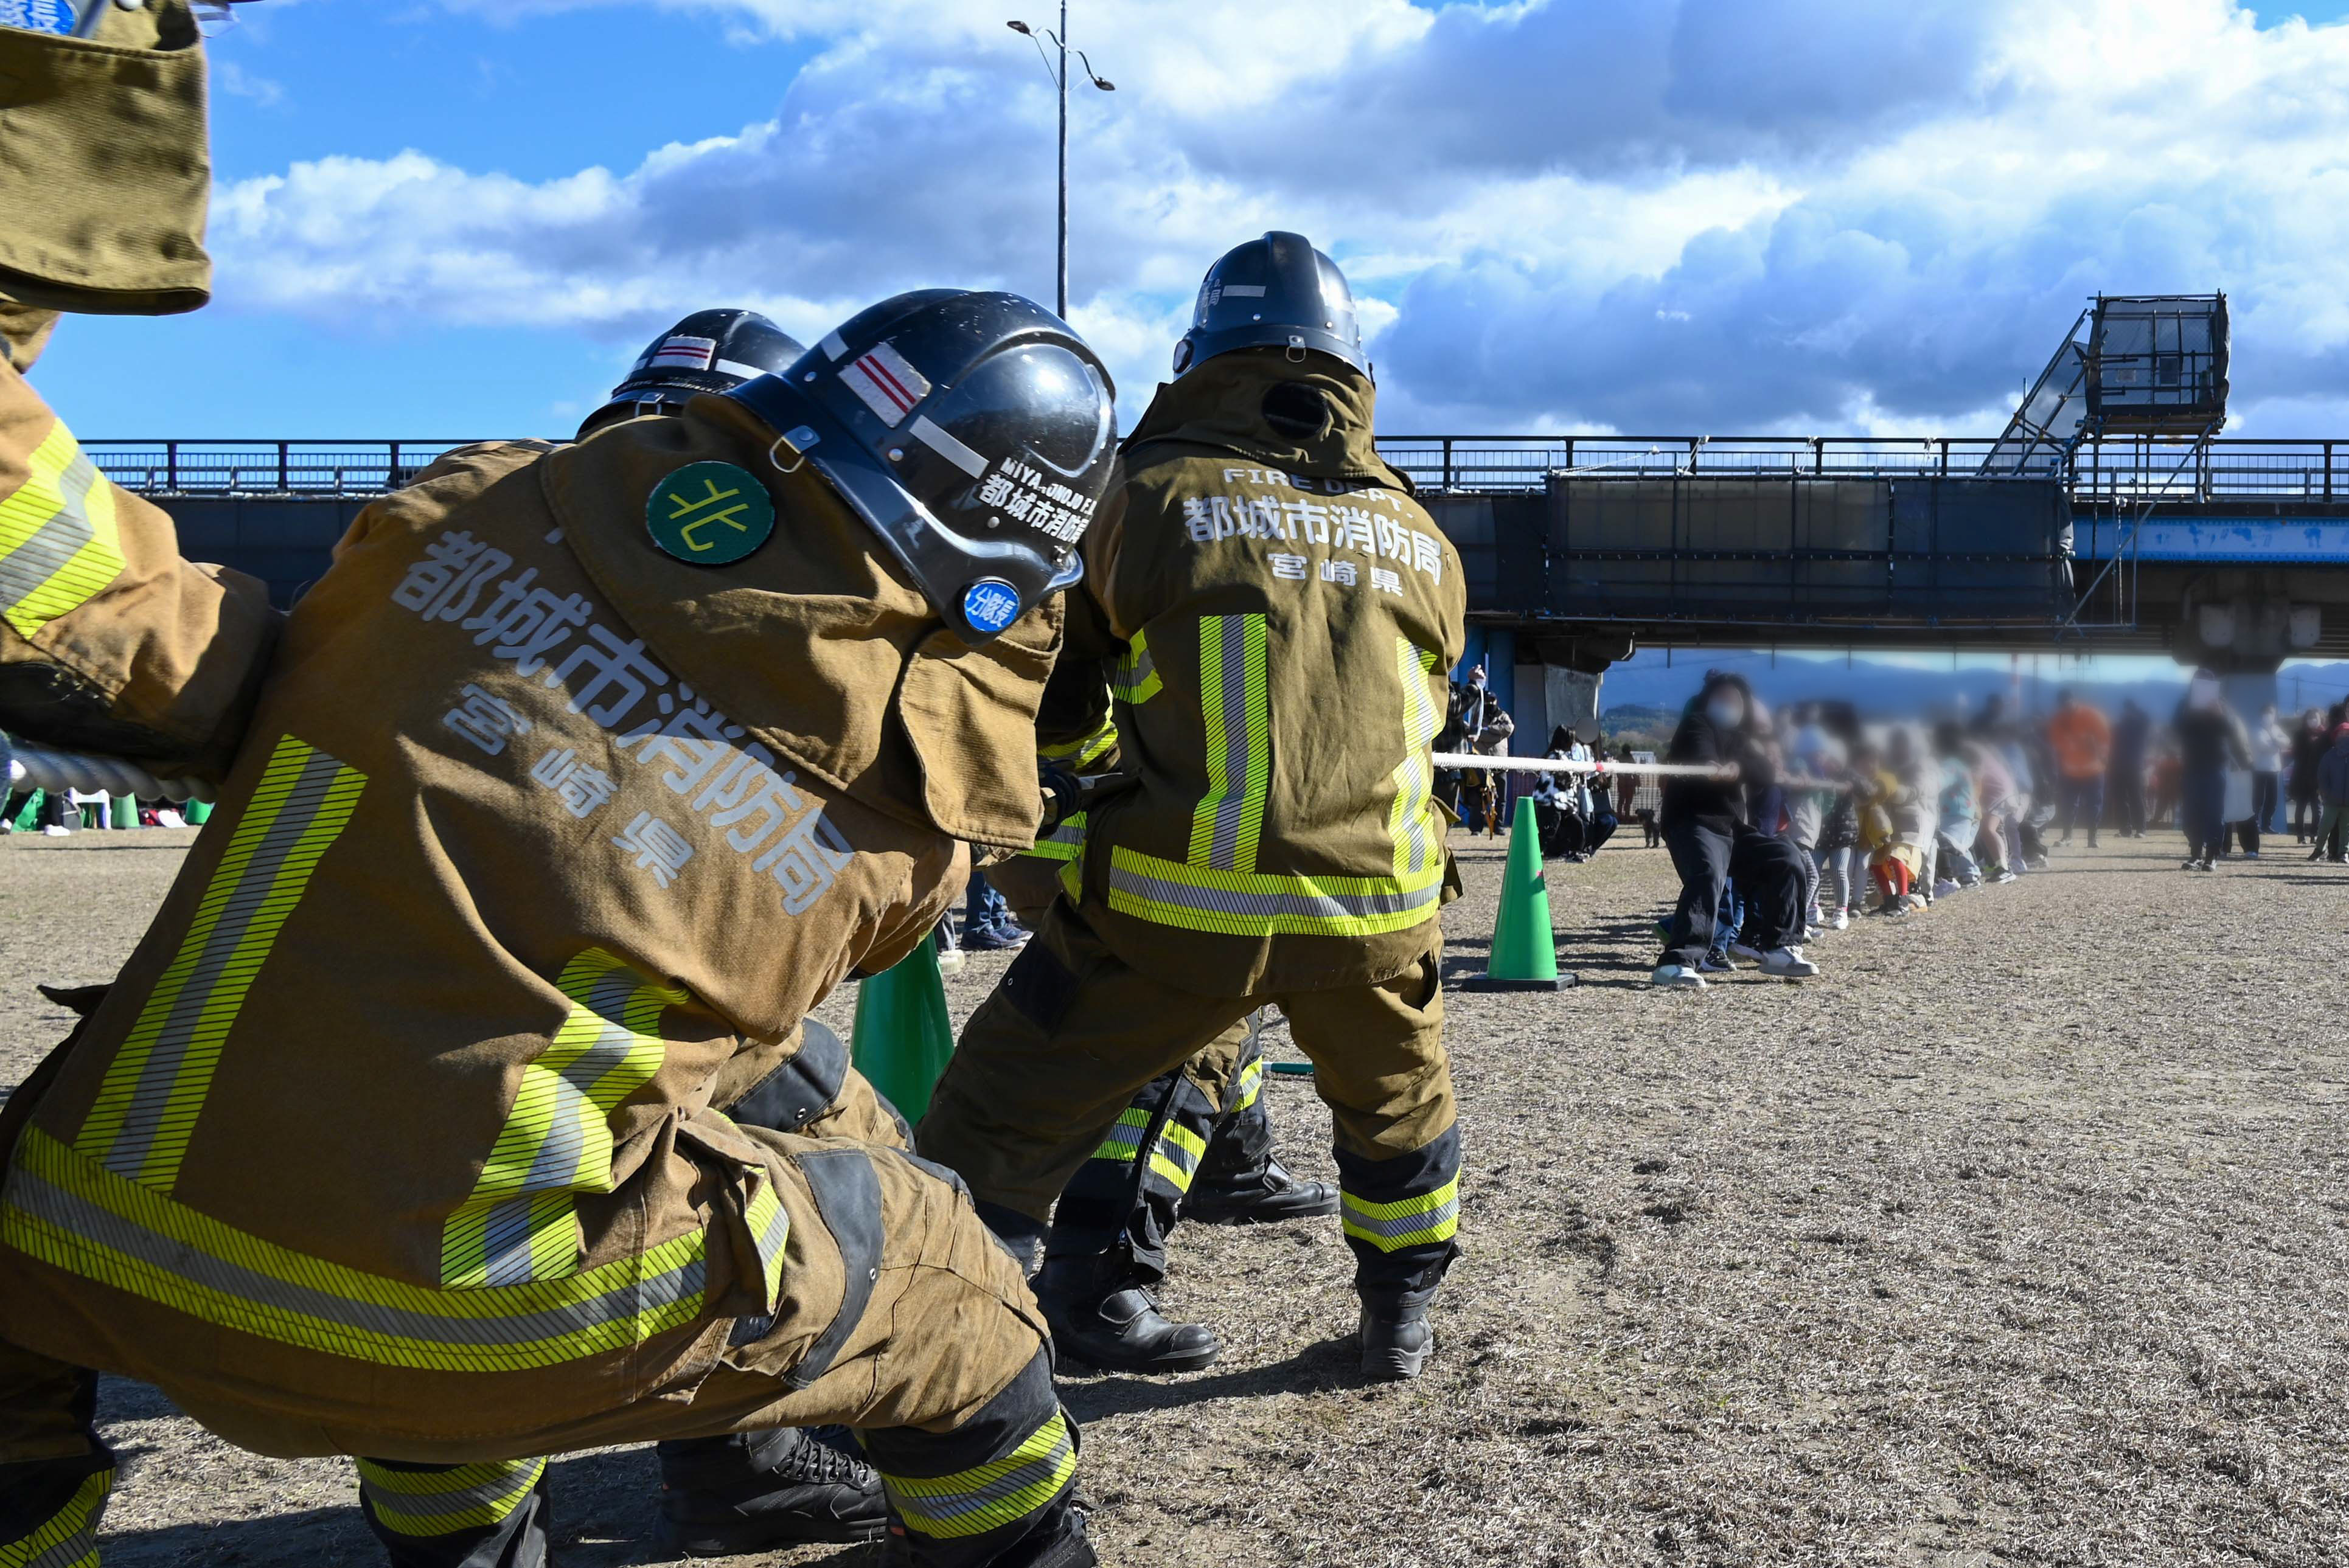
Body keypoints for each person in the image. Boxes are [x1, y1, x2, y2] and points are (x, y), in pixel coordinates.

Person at [0, 248, 1123, 1568]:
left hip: (84, 1233)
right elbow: (769, 994)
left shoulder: (455, 512)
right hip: (467, 1323)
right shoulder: (901, 811)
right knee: (951, 1284)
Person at [917, 233, 1469, 1384]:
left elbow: (1059, 693)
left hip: (1170, 905)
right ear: (1351, 370)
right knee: (1399, 1114)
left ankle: (960, 1356)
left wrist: (1061, 824)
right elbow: (1426, 706)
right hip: (1376, 909)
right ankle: (1395, 1323)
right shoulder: (1420, 534)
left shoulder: (1142, 492)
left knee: (996, 1121)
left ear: (1199, 354)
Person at [986, 604, 1339, 1376]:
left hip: (1089, 824)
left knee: (1222, 1010)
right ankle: (1089, 1279)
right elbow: (1064, 705)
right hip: (1096, 833)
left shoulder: (1118, 530)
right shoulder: (1126, 539)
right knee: (1170, 1043)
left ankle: (1233, 1166)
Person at [1649, 672, 1817, 987]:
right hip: (1692, 821)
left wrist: (1765, 772)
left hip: (1731, 829)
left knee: (1786, 857)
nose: (1729, 705)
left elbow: (1762, 769)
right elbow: (1700, 749)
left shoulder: (1742, 739)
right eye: (1722, 699)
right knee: (1708, 874)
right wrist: (1713, 766)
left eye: (1735, 701)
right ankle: (1677, 961)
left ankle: (1780, 948)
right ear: (1708, 702)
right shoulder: (1697, 723)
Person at [2173, 669, 2250, 872]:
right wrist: (2190, 713)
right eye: (2199, 682)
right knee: (2192, 811)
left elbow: (2233, 731)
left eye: (2208, 683)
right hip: (2192, 765)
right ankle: (2195, 854)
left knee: (2214, 811)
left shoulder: (2222, 705)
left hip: (2217, 764)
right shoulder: (2185, 704)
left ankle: (2212, 855)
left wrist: (2219, 715)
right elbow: (2176, 729)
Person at [2045, 689, 2109, 848]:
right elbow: (2056, 744)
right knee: (2068, 804)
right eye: (2063, 706)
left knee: (2094, 805)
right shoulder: (2058, 720)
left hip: (2093, 770)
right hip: (2070, 770)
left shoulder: (2092, 715)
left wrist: (2098, 753)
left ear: (2074, 701)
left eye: (2068, 704)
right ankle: (2067, 837)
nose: (2066, 708)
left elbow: (2104, 739)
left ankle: (2092, 838)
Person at [1931, 722, 1983, 895]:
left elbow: (1941, 781)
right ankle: (1969, 874)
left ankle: (1961, 876)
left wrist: (1926, 785)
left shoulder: (1951, 764)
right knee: (1956, 845)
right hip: (1960, 810)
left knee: (1949, 844)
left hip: (1957, 810)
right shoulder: (1959, 763)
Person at [2108, 698, 2151, 839]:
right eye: (2126, 710)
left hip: (2135, 766)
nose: (2127, 713)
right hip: (2118, 766)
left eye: (2129, 710)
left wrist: (2135, 710)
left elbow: (2147, 720)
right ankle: (2125, 829)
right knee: (2121, 799)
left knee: (2137, 797)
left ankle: (2141, 829)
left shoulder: (2140, 726)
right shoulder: (2119, 727)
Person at [2310, 720, 2349, 864]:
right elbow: (2322, 775)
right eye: (2342, 733)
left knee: (2346, 829)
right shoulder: (2330, 755)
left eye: (2348, 733)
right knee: (2325, 826)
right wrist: (2326, 792)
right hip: (2332, 800)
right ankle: (2320, 849)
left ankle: (2343, 853)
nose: (2345, 736)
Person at [2289, 707, 2329, 844]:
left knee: (2317, 808)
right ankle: (2300, 835)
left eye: (2315, 718)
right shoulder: (2299, 735)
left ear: (2321, 719)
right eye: (2310, 718)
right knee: (2300, 807)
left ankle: (2315, 834)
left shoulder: (2326, 736)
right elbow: (2296, 754)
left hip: (2318, 777)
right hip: (2301, 777)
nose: (2312, 720)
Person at [2249, 702, 2286, 843]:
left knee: (2273, 799)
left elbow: (2287, 742)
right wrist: (2277, 744)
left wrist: (2276, 741)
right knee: (2258, 799)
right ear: (2261, 715)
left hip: (2274, 768)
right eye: (2267, 714)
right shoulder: (2256, 730)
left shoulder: (2276, 729)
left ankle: (2267, 825)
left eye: (2272, 714)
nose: (2269, 717)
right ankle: (2256, 824)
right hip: (2259, 768)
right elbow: (2263, 746)